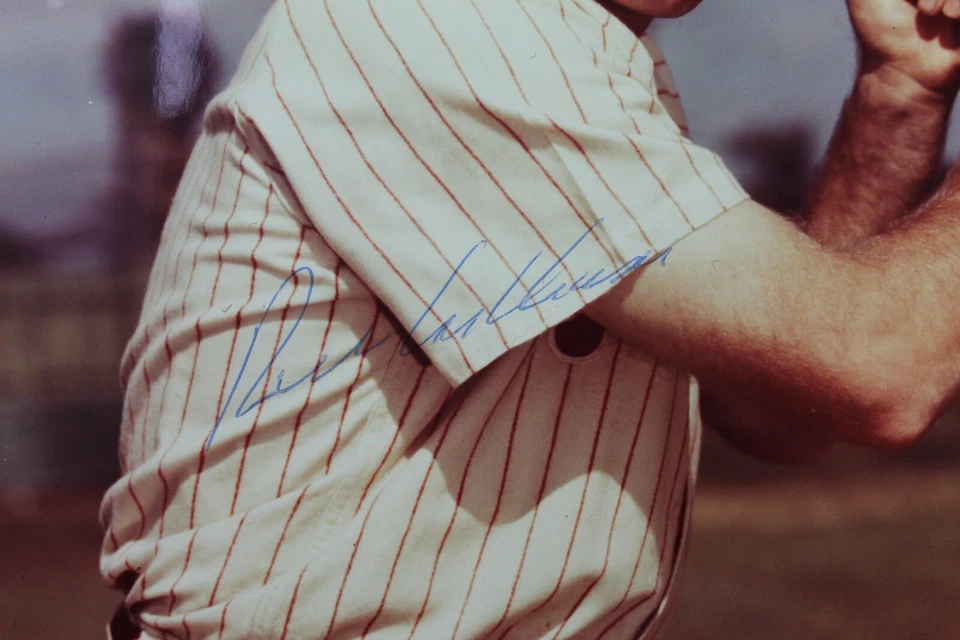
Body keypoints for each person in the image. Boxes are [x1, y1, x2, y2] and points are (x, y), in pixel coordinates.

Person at [99, 1, 960, 638]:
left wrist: (900, 90)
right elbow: (874, 364)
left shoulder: (589, 54)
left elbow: (780, 398)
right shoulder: (440, 27)